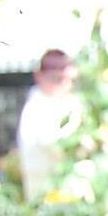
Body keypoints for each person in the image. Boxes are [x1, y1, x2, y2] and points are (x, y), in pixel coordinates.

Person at [15, 49, 80, 199]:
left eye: (69, 79)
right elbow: (52, 143)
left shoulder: (67, 101)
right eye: (57, 79)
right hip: (45, 189)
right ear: (39, 77)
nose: (66, 85)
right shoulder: (36, 106)